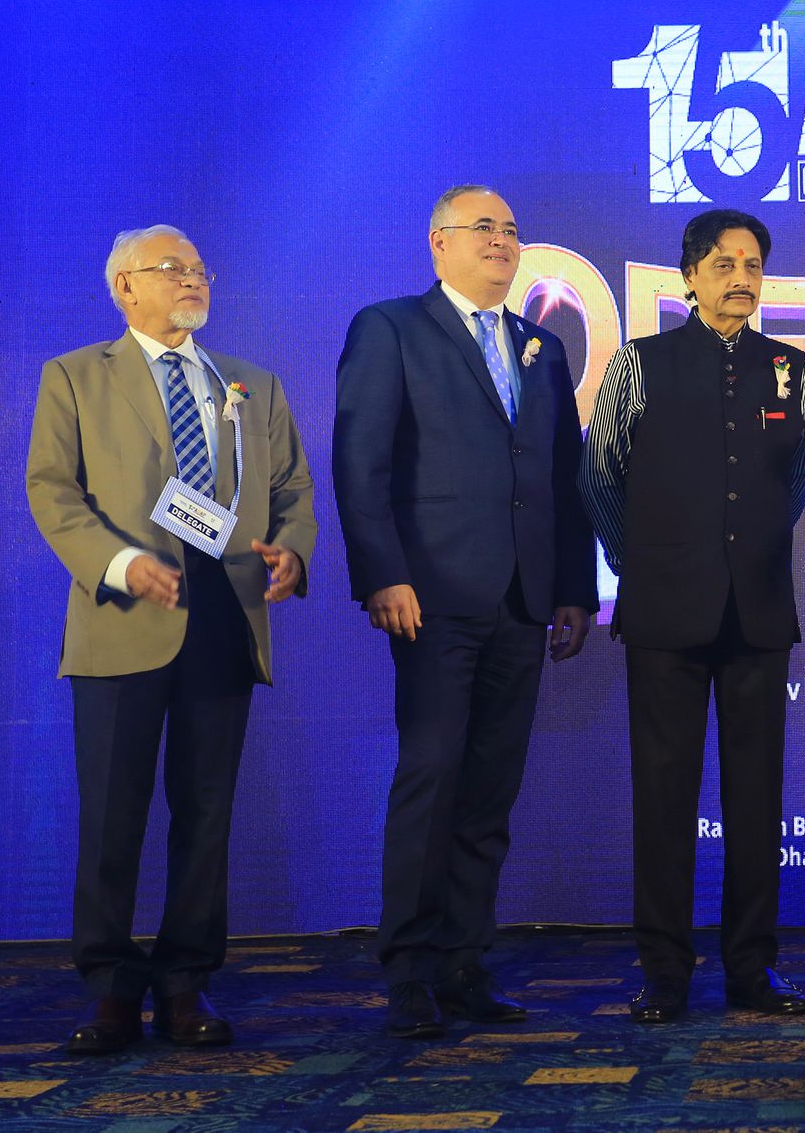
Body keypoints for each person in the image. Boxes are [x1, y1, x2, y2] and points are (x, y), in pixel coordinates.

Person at [27, 225, 316, 1054]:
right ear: (124, 287)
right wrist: (121, 564)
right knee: (111, 817)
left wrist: (292, 551)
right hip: (124, 618)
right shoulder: (75, 376)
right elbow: (52, 491)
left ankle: (187, 980)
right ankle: (110, 988)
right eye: (170, 269)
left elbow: (294, 489)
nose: (192, 280)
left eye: (198, 269)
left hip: (223, 617)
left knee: (206, 812)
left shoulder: (251, 384)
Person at [333, 185, 597, 1038]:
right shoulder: (390, 329)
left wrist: (572, 588)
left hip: (523, 600)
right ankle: (409, 969)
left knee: (489, 790)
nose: (502, 241)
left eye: (511, 229)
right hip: (433, 596)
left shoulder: (540, 346)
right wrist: (383, 574)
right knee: (432, 776)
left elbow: (563, 477)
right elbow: (361, 462)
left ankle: (463, 961)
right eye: (483, 227)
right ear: (438, 242)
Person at [580, 209, 805, 1025]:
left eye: (752, 265)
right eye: (723, 264)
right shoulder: (638, 364)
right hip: (663, 612)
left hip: (758, 612)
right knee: (664, 796)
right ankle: (666, 972)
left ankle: (753, 966)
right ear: (688, 276)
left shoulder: (789, 368)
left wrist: (748, 552)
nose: (740, 279)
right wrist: (639, 561)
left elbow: (795, 480)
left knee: (757, 798)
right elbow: (598, 476)